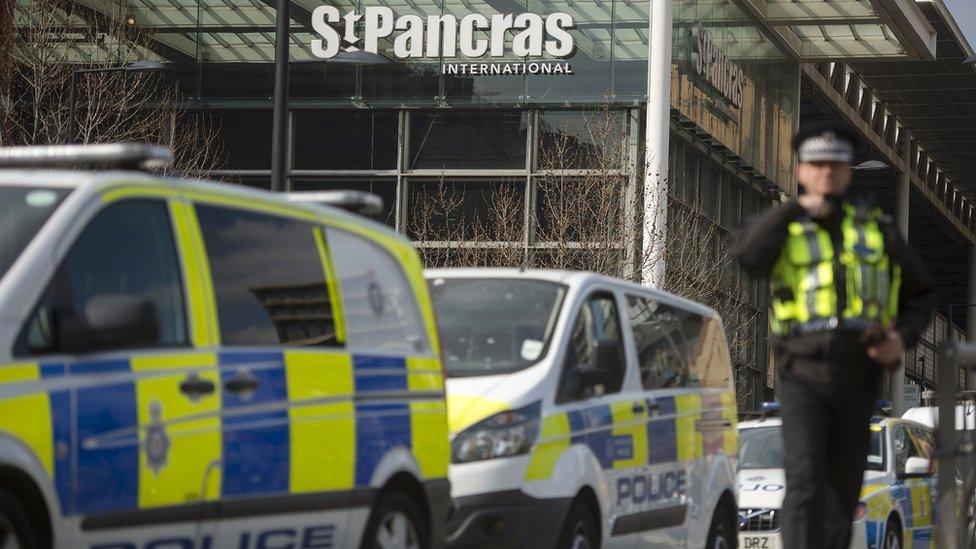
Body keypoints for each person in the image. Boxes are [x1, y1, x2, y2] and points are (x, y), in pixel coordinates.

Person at [733, 123, 935, 549]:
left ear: (848, 173)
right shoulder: (785, 227)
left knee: (842, 491)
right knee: (806, 482)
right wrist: (794, 208)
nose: (826, 172)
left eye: (835, 165)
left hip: (859, 372)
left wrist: (901, 338)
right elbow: (747, 255)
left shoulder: (877, 229)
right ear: (802, 170)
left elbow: (921, 293)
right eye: (816, 164)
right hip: (801, 370)